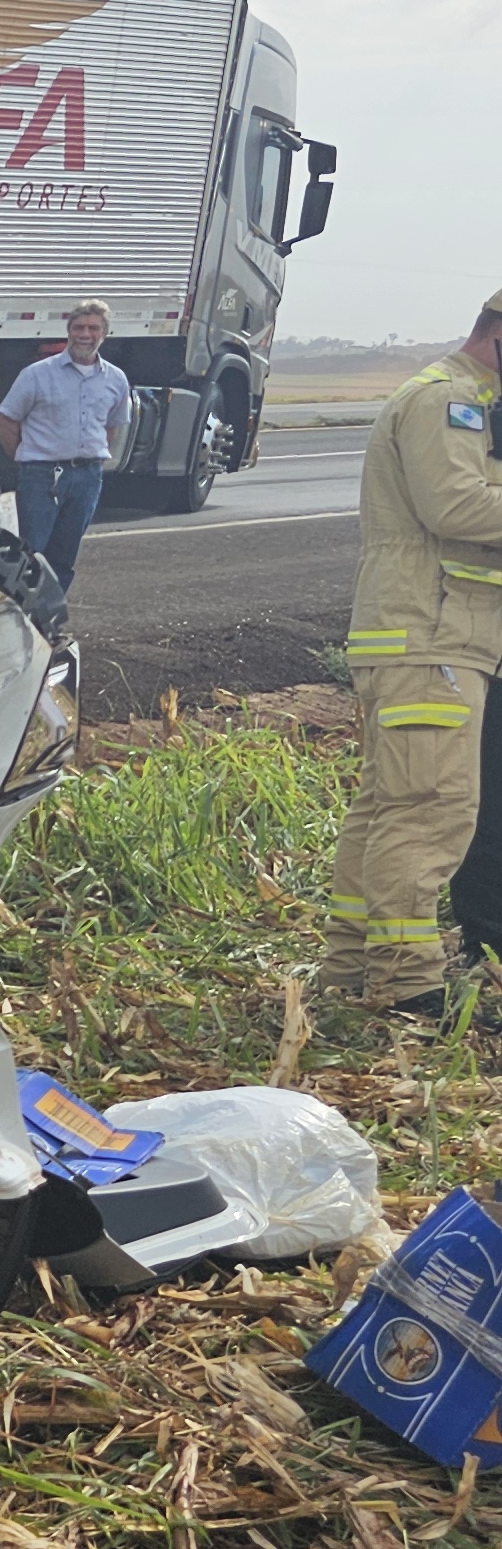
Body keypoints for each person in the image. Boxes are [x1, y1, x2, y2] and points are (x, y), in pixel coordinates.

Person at [328, 290, 502, 1019]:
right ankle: (407, 987)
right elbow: (456, 505)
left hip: (420, 635)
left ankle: (349, 968)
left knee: (386, 809)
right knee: (431, 812)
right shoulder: (448, 401)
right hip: (429, 636)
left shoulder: (456, 396)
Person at [0, 299, 135, 627]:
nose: (84, 334)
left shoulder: (116, 380)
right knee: (31, 552)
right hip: (42, 476)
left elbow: (110, 427)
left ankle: (46, 619)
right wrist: (27, 460)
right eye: (78, 328)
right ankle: (14, 619)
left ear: (105, 335)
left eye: (93, 328)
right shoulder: (37, 375)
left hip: (87, 476)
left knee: (65, 553)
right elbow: (5, 421)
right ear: (68, 331)